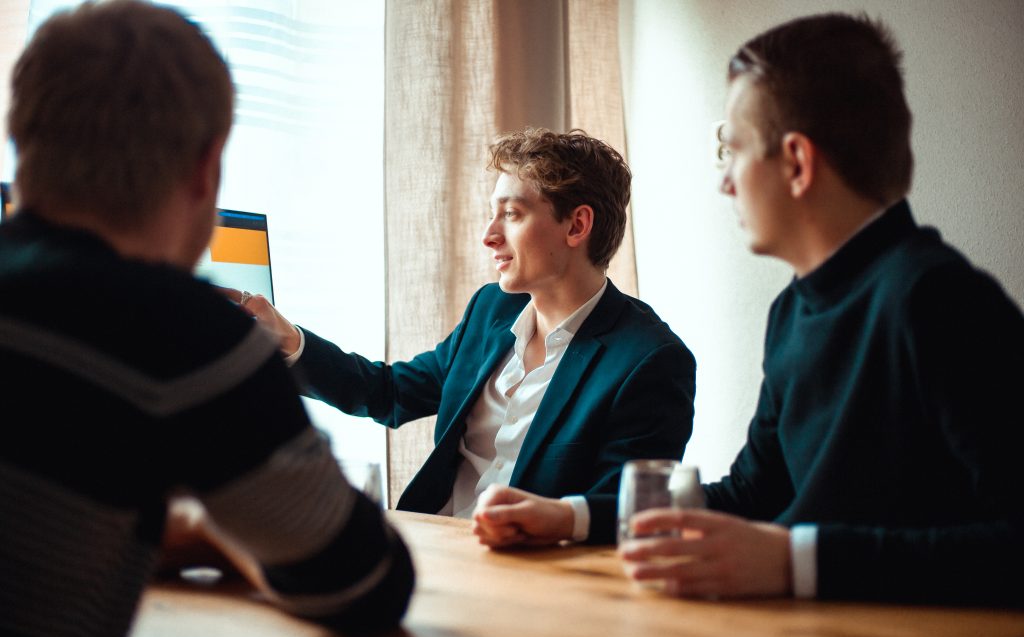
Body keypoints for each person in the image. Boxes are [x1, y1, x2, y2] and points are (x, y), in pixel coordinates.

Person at [0, 2, 413, 637]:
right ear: (205, 168)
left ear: (24, 138)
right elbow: (364, 583)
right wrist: (214, 533)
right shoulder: (182, 332)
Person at [618, 12, 1024, 605]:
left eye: (731, 149)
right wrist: (574, 515)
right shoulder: (791, 311)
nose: (724, 181)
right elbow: (754, 492)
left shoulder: (940, 300)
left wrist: (795, 562)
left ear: (798, 163)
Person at [240, 128, 696, 545]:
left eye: (511, 214)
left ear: (577, 225)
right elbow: (391, 392)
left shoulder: (650, 359)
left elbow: (629, 510)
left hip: (531, 577)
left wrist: (550, 518)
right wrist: (288, 339)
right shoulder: (490, 310)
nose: (488, 235)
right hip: (429, 547)